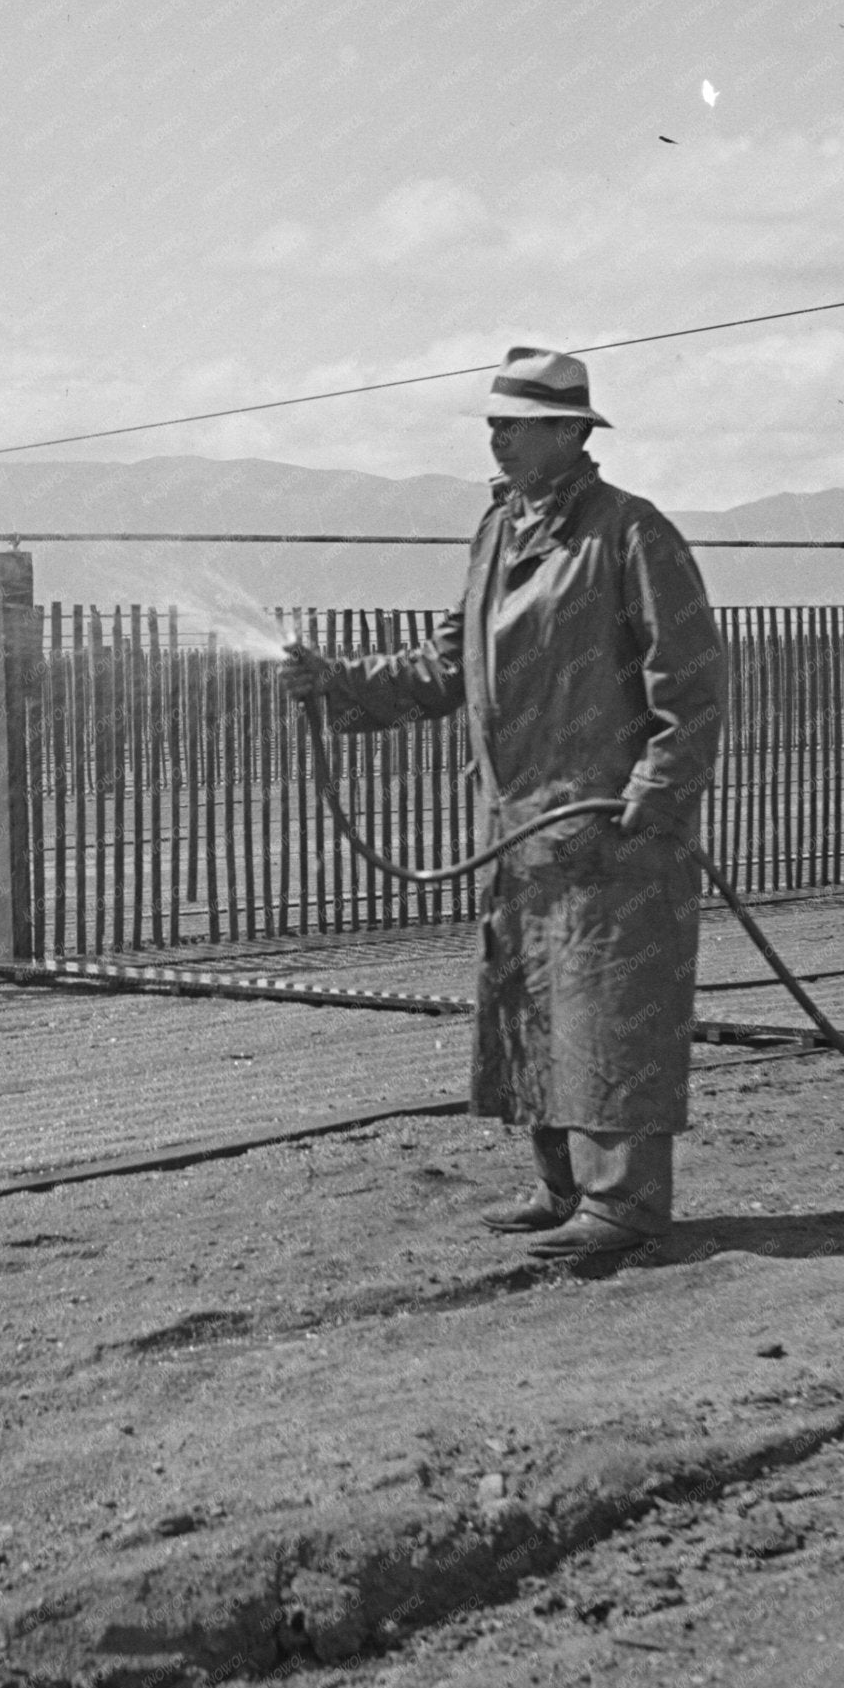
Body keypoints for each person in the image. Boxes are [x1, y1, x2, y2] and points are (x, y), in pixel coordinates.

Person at [284, 346, 726, 1257]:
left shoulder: (631, 534)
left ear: (571, 433)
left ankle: (626, 1209)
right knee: (533, 1007)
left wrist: (652, 798)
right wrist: (338, 683)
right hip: (519, 828)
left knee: (611, 1011)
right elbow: (449, 665)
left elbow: (691, 684)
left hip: (607, 828)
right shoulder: (497, 531)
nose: (498, 437)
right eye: (494, 422)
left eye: (516, 424)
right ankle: (561, 1189)